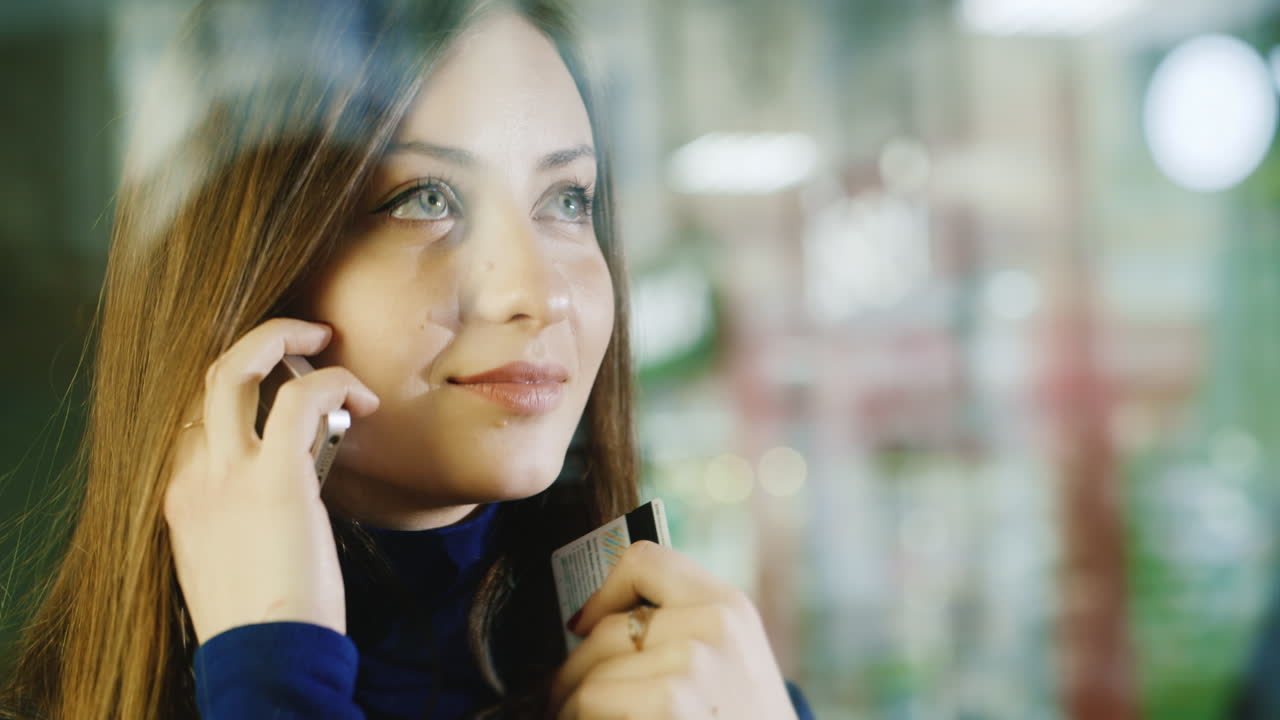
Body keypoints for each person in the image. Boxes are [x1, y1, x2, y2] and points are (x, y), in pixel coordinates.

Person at [0, 0, 815, 718]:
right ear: (252, 274)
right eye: (425, 199)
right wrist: (272, 667)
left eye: (568, 201)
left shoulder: (708, 691)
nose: (537, 294)